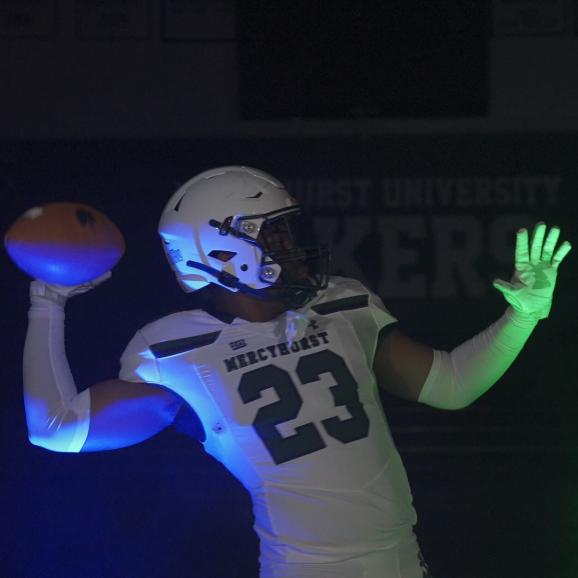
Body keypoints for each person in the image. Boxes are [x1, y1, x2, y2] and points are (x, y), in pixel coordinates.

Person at [22, 166, 571, 578]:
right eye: (276, 235)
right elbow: (54, 429)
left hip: (403, 559)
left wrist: (523, 316)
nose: (295, 247)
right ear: (221, 250)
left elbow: (451, 386)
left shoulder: (342, 304)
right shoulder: (177, 349)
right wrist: (47, 302)